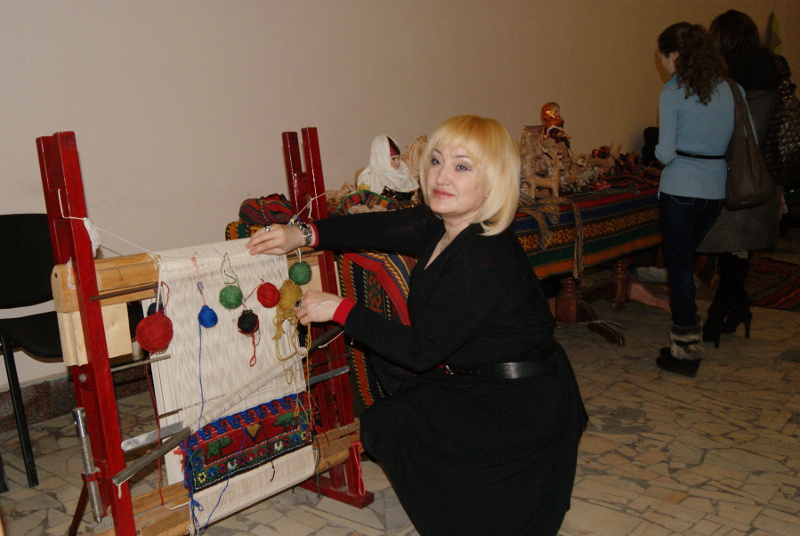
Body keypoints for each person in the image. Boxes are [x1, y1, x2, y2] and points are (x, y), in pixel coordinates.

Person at [247, 115, 587, 536]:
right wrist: (303, 233)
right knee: (386, 365)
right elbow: (376, 227)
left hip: (517, 406)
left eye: (462, 166)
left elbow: (419, 352)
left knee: (390, 423)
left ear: (494, 181)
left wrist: (340, 308)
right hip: (487, 379)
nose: (441, 176)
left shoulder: (482, 257)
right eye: (437, 161)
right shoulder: (446, 225)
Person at [696, 10, 785, 347]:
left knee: (731, 246)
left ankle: (717, 315)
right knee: (740, 248)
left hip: (733, 168)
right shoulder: (776, 69)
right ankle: (738, 308)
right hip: (764, 170)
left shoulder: (725, 77)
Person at [654, 22, 735, 377]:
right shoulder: (728, 88)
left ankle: (686, 351)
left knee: (681, 270)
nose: (663, 64)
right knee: (686, 263)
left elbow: (665, 153)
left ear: (674, 55)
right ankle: (685, 343)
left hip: (681, 190)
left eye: (662, 57)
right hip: (715, 191)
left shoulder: (673, 92)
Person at [356, 135, 419, 201]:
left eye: (398, 158)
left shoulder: (404, 175)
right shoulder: (368, 178)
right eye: (393, 159)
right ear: (382, 159)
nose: (398, 162)